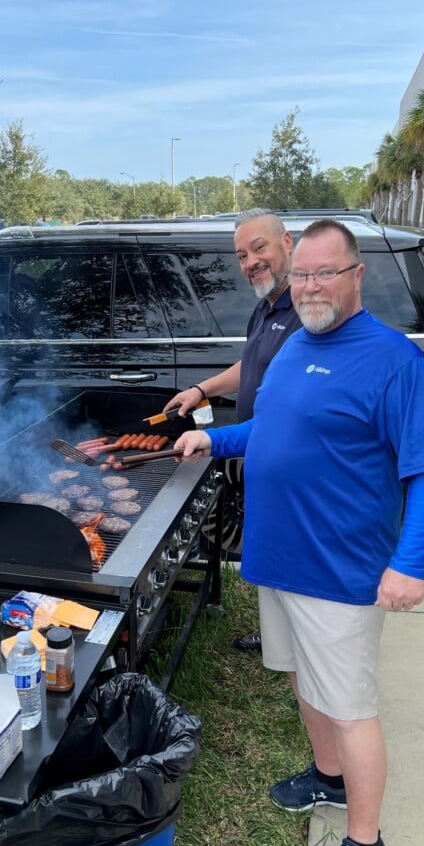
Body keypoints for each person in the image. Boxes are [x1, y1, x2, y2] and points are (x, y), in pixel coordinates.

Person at [173, 218, 424, 846]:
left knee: (352, 707)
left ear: (357, 275)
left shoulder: (393, 360)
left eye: (324, 273)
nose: (308, 286)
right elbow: (272, 432)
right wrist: (213, 436)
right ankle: (327, 777)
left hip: (342, 569)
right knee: (305, 680)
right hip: (281, 558)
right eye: (301, 274)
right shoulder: (296, 344)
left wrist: (409, 563)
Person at [162, 208, 301, 651]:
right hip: (259, 450)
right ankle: (278, 633)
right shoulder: (265, 309)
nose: (250, 262)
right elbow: (250, 366)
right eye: (242, 255)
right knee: (268, 543)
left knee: (287, 545)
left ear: (288, 243)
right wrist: (201, 390)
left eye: (259, 248)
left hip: (289, 459)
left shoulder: (306, 313)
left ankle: (298, 638)